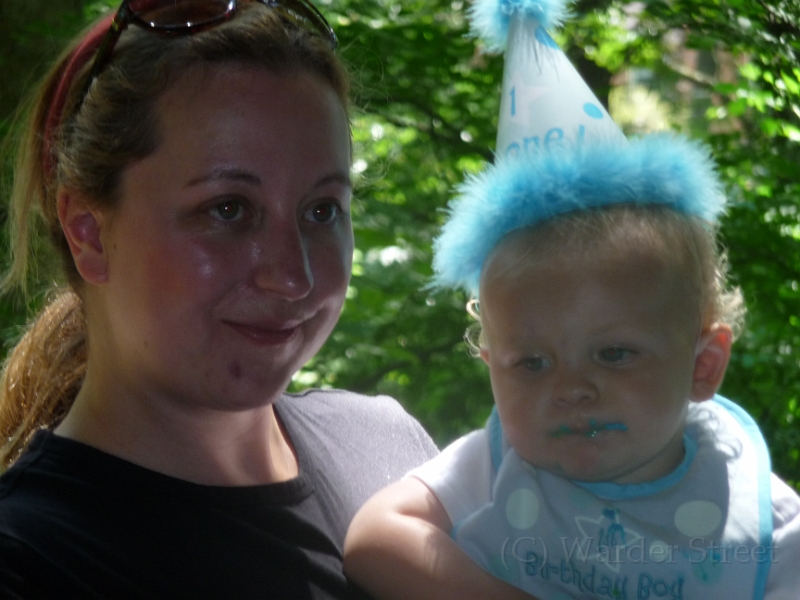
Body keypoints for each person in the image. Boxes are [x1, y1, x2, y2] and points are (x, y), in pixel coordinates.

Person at [0, 2, 438, 598]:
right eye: (228, 209)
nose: (293, 277)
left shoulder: (392, 460)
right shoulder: (32, 561)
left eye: (321, 211)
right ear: (89, 234)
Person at [343, 139, 800, 599]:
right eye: (532, 363)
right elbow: (375, 536)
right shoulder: (495, 465)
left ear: (703, 365)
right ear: (492, 367)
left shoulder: (772, 529)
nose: (571, 389)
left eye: (614, 354)